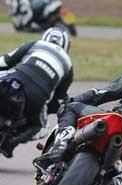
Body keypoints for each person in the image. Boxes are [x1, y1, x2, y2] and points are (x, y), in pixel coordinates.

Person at [0, 28, 73, 157]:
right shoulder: (68, 64)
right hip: (37, 98)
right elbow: (58, 102)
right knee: (42, 127)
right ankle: (10, 142)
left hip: (13, 81)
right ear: (66, 44)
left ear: (45, 37)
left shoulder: (35, 44)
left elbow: (5, 62)